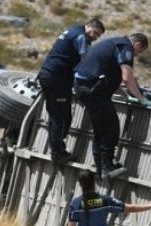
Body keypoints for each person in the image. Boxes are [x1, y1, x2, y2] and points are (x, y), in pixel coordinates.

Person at [73, 33, 151, 181]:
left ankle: (101, 168)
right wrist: (141, 99)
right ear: (137, 45)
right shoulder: (125, 47)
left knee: (100, 129)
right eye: (139, 52)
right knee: (111, 128)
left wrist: (126, 96)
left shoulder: (112, 43)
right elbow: (127, 78)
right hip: (94, 91)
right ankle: (107, 167)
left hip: (84, 87)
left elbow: (109, 75)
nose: (136, 55)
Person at [37, 19, 105, 164]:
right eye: (96, 33)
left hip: (47, 75)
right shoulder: (80, 36)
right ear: (90, 27)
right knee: (62, 117)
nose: (95, 37)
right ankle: (57, 153)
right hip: (57, 78)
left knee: (56, 114)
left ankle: (57, 149)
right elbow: (86, 61)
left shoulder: (72, 31)